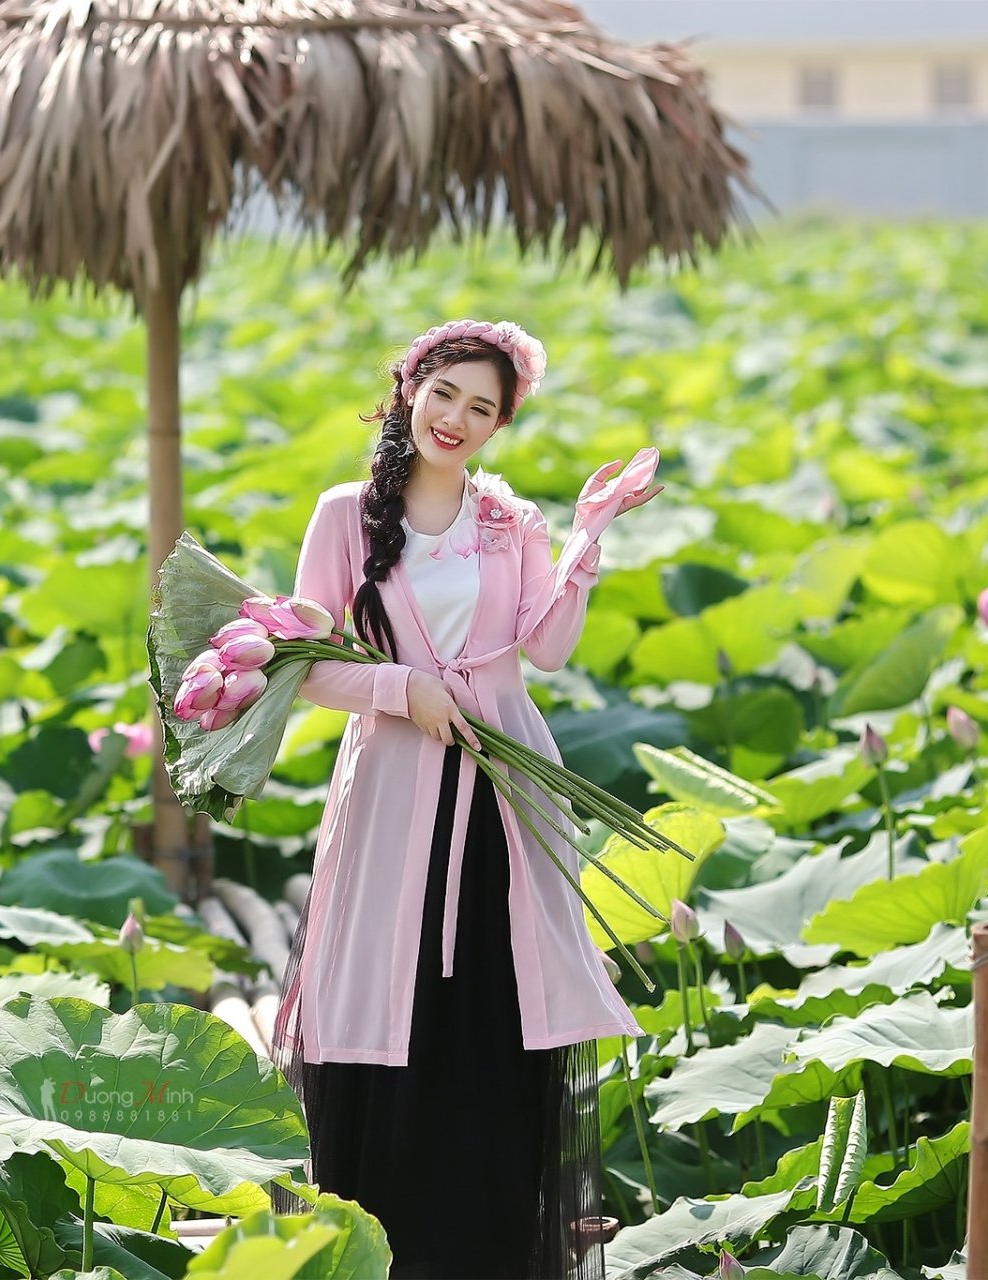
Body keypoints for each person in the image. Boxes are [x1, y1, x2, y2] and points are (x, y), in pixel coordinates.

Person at [267, 319, 661, 1279]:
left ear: (497, 426)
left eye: (482, 408)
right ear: (410, 387)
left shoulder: (508, 523)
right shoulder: (344, 515)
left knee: (494, 1013)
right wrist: (404, 689)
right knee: (383, 1002)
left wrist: (585, 539)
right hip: (395, 796)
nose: (456, 418)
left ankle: (482, 1249)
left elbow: (550, 648)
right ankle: (381, 1247)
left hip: (504, 799)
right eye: (444, 393)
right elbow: (306, 668)